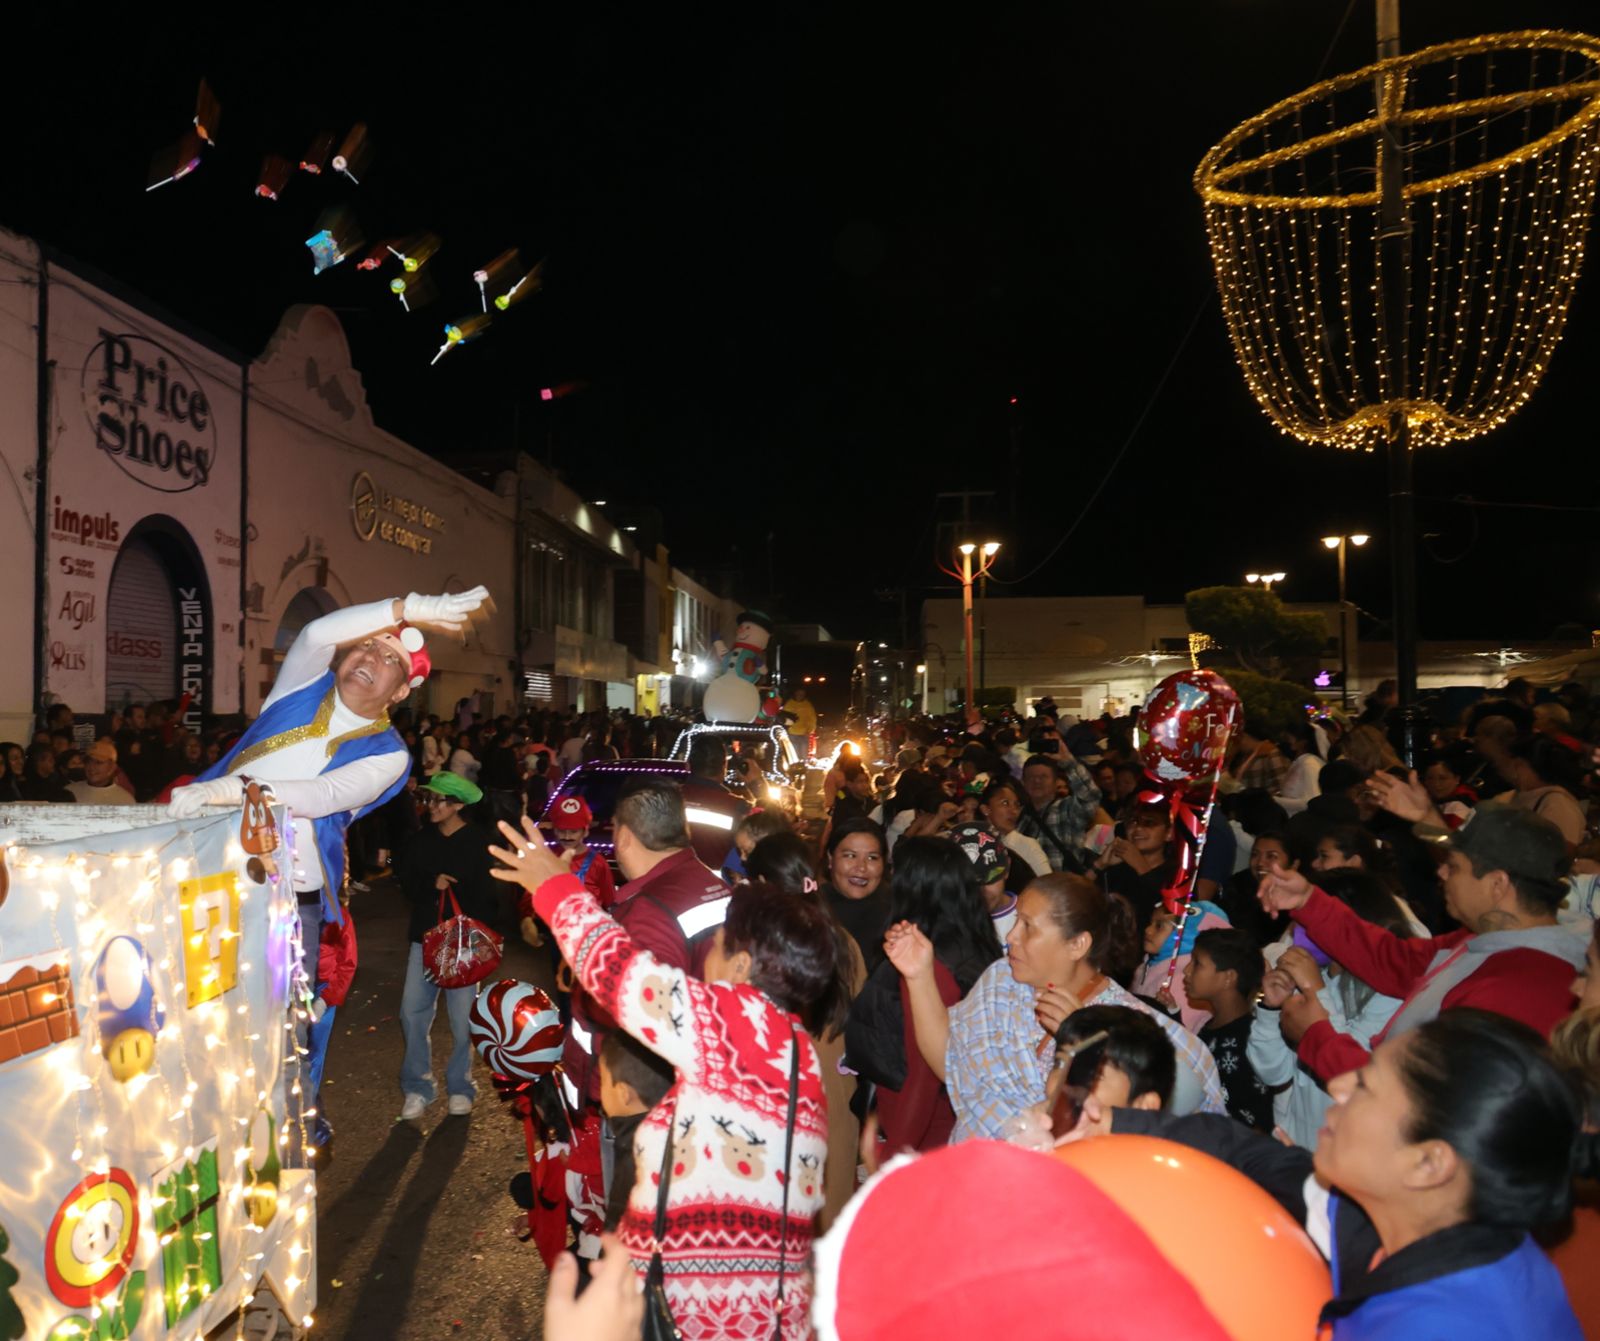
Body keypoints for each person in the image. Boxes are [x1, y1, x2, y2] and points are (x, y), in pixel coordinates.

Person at [494, 829, 844, 1341]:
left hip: (707, 1313)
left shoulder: (735, 1023)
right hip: (766, 1309)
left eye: (718, 943)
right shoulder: (790, 1045)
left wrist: (554, 888)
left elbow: (622, 973)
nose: (707, 954)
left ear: (742, 965)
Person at [1079, 1011, 1587, 1340]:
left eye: (1366, 1086)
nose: (1339, 1085)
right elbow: (1250, 1154)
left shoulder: (1443, 1326)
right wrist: (1111, 1123)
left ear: (1429, 1163)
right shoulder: (1409, 1218)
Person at [170, 588, 489, 997]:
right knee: (197, 1000)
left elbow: (321, 795)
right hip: (210, 870)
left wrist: (232, 789)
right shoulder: (301, 686)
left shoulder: (390, 754)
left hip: (286, 895)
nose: (372, 657)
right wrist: (407, 607)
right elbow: (314, 635)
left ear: (400, 692)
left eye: (391, 658)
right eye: (367, 645)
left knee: (278, 1018)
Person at [1258, 805, 1589, 1082]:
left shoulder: (1520, 988)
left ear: (1497, 884)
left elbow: (1421, 1099)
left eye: (1454, 866)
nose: (1441, 873)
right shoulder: (1486, 940)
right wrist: (1308, 900)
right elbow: (1394, 961)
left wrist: (1318, 1037)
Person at [886, 873, 1225, 1140]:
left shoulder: (1134, 1028)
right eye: (1015, 922)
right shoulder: (1002, 981)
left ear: (1077, 945)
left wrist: (1085, 1046)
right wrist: (919, 975)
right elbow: (951, 1065)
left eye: (1028, 927)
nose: (1011, 937)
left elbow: (1167, 1130)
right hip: (973, 1178)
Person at [848, 837, 1001, 1156]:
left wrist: (896, 1153)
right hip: (956, 1122)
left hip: (925, 1131)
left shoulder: (924, 967)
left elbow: (923, 1073)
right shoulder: (977, 945)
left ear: (912, 886)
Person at [396, 771, 497, 1119]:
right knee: (412, 1013)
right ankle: (418, 1086)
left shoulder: (479, 842)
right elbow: (406, 883)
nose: (431, 806)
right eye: (428, 799)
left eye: (438, 800)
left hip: (464, 944)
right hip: (424, 939)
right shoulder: (421, 839)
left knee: (463, 1020)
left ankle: (460, 1086)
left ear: (457, 805)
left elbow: (489, 897)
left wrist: (461, 897)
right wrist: (432, 883)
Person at [1184, 927, 1273, 1130]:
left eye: (1197, 963)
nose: (1186, 971)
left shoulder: (1249, 1041)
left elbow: (1252, 1120)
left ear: (1228, 978)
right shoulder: (1211, 1026)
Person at [596, 1031, 674, 1231]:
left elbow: (618, 1227)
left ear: (624, 1094)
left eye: (603, 1082)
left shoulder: (634, 1157)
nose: (600, 1090)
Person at [1131, 898, 1230, 1033]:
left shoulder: (1183, 977)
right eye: (1150, 923)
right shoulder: (1151, 964)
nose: (1148, 930)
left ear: (1186, 933)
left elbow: (1182, 1031)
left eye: (1159, 926)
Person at [1093, 799, 1178, 925]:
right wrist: (1099, 865)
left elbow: (1168, 912)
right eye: (1133, 821)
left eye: (1149, 823)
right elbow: (1080, 899)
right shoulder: (1118, 868)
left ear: (1169, 833)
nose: (1138, 828)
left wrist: (1140, 866)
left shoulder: (1177, 875)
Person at [821, 819, 891, 971]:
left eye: (872, 858)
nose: (861, 867)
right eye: (850, 856)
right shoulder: (810, 909)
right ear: (830, 859)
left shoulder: (897, 916)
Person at [1016, 752, 1101, 873]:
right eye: (1031, 777)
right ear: (1023, 782)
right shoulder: (1017, 815)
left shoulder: (1067, 808)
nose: (1037, 781)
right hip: (1026, 883)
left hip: (1062, 882)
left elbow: (1091, 796)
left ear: (1056, 782)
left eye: (1044, 776)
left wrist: (1069, 762)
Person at [947, 821, 1018, 940]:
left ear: (1007, 869)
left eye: (989, 879)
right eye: (969, 883)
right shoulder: (943, 924)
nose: (981, 891)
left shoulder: (1032, 919)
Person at [978, 776, 1052, 879]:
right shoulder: (974, 843)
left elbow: (1046, 882)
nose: (1014, 811)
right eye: (1005, 803)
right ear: (985, 809)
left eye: (1016, 805)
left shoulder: (1027, 845)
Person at [65, 739, 134, 805]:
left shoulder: (124, 800)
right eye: (88, 761)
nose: (91, 767)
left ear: (112, 767)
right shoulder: (69, 792)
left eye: (98, 762)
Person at [1231, 719, 1289, 793]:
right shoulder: (1243, 756)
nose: (1239, 743)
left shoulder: (1270, 753)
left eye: (1241, 738)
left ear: (1250, 736)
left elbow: (1282, 783)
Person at [781, 685, 817, 756]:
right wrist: (786, 730)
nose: (800, 695)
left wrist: (810, 730)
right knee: (794, 755)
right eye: (799, 693)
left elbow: (812, 719)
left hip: (804, 733)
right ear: (795, 693)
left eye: (802, 694)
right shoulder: (789, 704)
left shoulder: (807, 705)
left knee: (804, 755)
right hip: (792, 733)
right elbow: (784, 718)